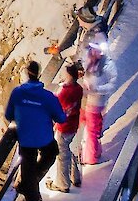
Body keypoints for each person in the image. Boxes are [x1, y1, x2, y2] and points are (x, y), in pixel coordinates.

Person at [5, 59, 67, 201]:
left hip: (24, 137)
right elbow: (60, 118)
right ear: (39, 75)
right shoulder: (47, 96)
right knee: (51, 153)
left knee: (27, 163)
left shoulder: (18, 93)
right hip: (44, 136)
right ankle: (30, 185)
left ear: (27, 73)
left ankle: (31, 195)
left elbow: (8, 115)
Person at [79, 32, 117, 165]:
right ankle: (92, 152)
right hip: (86, 101)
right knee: (88, 128)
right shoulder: (89, 60)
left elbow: (112, 83)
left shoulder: (107, 65)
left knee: (92, 131)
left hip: (96, 103)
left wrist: (97, 90)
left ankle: (91, 157)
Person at [47, 61, 83, 192]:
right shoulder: (78, 89)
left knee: (62, 154)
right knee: (66, 148)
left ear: (69, 76)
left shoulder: (65, 93)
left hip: (64, 126)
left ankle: (62, 184)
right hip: (72, 125)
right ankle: (75, 176)